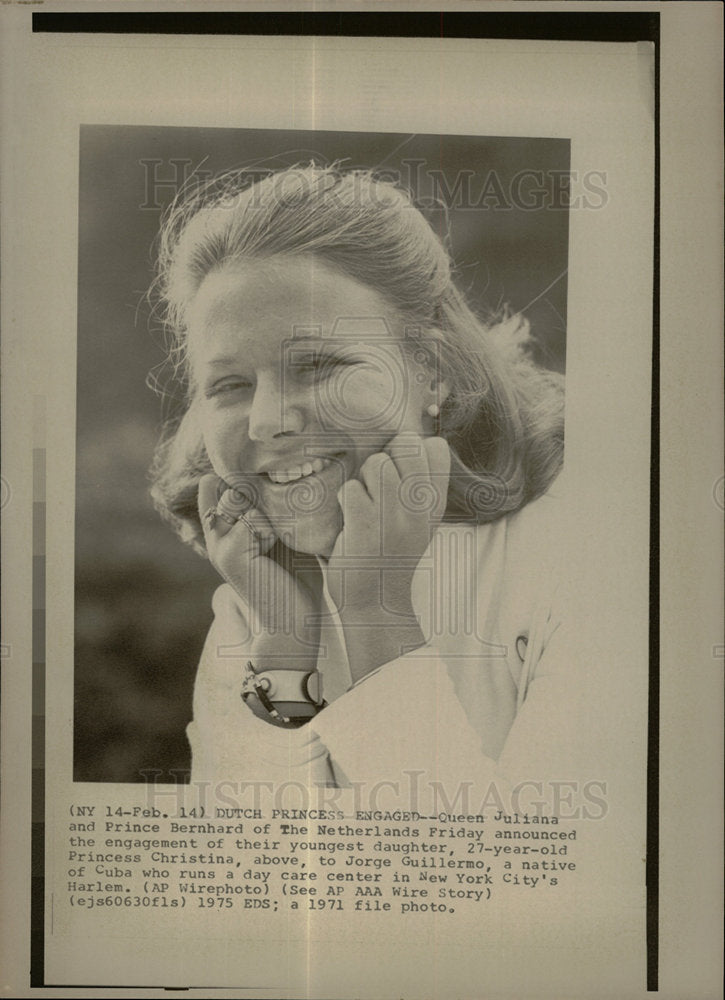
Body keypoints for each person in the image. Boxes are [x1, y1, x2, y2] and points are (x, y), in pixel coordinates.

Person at [150, 163, 578, 812]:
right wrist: (284, 652)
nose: (267, 421)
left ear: (430, 373)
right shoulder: (258, 598)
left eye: (318, 365)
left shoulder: (583, 560)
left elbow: (507, 892)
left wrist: (376, 610)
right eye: (230, 385)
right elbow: (238, 887)